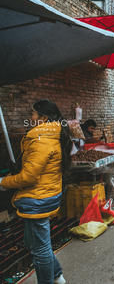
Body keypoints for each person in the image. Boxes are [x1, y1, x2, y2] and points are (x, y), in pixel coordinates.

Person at [0, 99, 71, 284]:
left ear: (43, 117)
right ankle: (57, 276)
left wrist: (4, 182)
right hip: (44, 194)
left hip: (37, 198)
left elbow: (28, 177)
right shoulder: (49, 135)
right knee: (34, 243)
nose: (30, 118)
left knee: (40, 249)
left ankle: (50, 279)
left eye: (32, 114)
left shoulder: (42, 140)